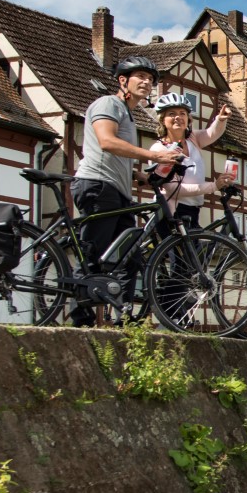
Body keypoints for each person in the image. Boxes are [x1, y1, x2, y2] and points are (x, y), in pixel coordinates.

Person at [71, 56, 183, 325]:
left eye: (150, 79)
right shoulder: (109, 104)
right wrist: (153, 156)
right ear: (123, 81)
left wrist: (139, 175)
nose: (147, 82)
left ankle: (122, 317)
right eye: (140, 77)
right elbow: (107, 142)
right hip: (98, 185)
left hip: (117, 191)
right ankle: (80, 317)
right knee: (93, 253)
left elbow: (117, 156)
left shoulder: (129, 116)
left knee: (129, 255)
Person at [146, 91, 236, 229]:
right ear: (162, 120)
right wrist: (213, 186)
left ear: (188, 119)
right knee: (181, 250)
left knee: (197, 249)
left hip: (193, 209)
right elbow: (172, 188)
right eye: (171, 114)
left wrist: (221, 119)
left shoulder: (192, 139)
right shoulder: (159, 150)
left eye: (182, 113)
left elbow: (211, 134)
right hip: (171, 211)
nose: (178, 117)